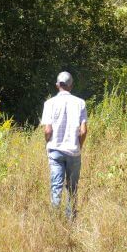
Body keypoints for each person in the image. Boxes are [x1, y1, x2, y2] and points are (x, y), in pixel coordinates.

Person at [41, 71, 87, 220]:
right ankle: (70, 220)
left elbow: (47, 130)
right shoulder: (80, 103)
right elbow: (83, 130)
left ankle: (54, 219)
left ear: (57, 85)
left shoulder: (49, 103)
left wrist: (49, 142)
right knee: (72, 188)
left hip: (55, 150)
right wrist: (78, 146)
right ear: (71, 86)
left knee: (56, 185)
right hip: (73, 150)